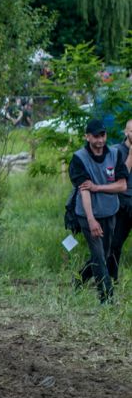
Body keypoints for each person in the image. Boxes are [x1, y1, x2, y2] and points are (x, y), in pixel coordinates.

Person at [70, 118, 128, 303]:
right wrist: (91, 220)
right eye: (95, 136)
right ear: (87, 137)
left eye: (102, 135)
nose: (100, 140)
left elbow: (122, 186)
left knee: (106, 252)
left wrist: (98, 187)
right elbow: (84, 191)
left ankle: (78, 280)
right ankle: (107, 298)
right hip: (87, 215)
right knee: (99, 255)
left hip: (110, 212)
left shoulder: (115, 154)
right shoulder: (79, 158)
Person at [110, 118, 132, 278]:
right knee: (114, 245)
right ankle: (111, 280)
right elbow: (119, 177)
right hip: (122, 205)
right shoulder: (116, 151)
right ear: (125, 132)